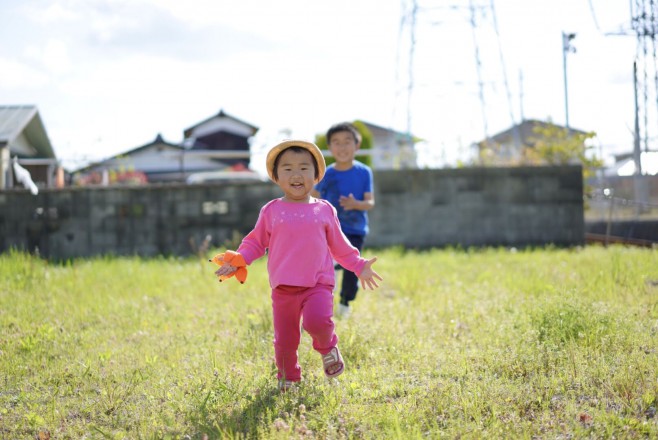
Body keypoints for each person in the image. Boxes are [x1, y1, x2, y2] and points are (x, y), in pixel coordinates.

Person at [214, 139, 382, 391]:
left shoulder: (324, 210)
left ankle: (328, 348)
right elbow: (255, 243)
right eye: (288, 168)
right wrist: (238, 259)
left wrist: (359, 265)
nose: (296, 174)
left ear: (316, 176)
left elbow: (339, 245)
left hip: (318, 283)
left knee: (318, 322)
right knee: (285, 340)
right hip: (283, 288)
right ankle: (289, 378)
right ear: (276, 176)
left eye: (304, 168)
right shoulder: (271, 210)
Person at [311, 122, 375, 318]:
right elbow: (312, 198)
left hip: (355, 230)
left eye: (347, 142)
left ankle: (345, 303)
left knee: (351, 269)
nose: (342, 147)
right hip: (329, 230)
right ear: (329, 148)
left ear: (357, 145)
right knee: (325, 267)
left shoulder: (364, 172)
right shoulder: (326, 173)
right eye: (336, 143)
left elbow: (370, 202)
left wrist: (356, 204)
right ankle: (324, 304)